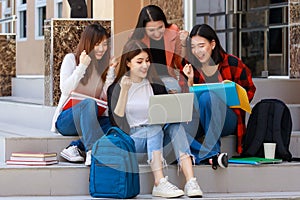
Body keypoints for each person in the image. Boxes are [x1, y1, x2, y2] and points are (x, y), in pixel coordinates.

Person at [107, 40, 203, 198]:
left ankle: (191, 181)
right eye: (139, 61)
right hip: (132, 141)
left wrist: (188, 85)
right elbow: (116, 121)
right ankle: (159, 182)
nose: (145, 65)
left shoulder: (156, 86)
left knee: (175, 126)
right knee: (153, 127)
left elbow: (172, 111)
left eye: (147, 60)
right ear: (128, 63)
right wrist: (124, 90)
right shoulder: (116, 88)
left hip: (157, 140)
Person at [180, 24, 256, 169]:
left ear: (212, 44)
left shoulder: (231, 63)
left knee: (209, 97)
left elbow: (249, 90)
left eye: (201, 46)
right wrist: (189, 81)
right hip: (199, 117)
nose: (197, 51)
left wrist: (234, 94)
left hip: (228, 118)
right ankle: (210, 156)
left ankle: (210, 152)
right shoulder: (189, 65)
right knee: (173, 128)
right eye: (193, 47)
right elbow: (185, 101)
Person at [50, 23, 118, 165]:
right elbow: (65, 89)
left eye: (105, 44)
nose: (101, 49)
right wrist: (82, 66)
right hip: (67, 120)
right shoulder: (71, 59)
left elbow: (105, 97)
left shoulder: (102, 66)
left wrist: (111, 70)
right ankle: (91, 151)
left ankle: (75, 147)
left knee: (115, 124)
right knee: (88, 103)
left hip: (90, 120)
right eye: (97, 44)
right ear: (88, 43)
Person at [130, 4, 189, 93]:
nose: (157, 33)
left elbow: (179, 62)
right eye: (151, 30)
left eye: (160, 27)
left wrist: (184, 42)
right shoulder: (136, 37)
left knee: (175, 91)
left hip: (167, 77)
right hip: (145, 78)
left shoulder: (173, 31)